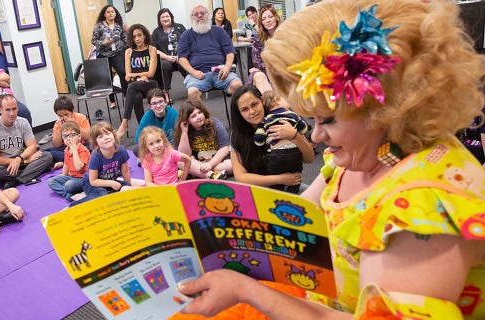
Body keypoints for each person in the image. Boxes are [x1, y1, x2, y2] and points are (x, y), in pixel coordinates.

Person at [178, 1, 485, 319]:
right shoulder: (360, 155)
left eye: (327, 120)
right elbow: (289, 219)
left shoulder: (424, 205)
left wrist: (246, 290)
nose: (315, 136)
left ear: (384, 110)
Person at [230, 84, 314, 193]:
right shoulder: (237, 135)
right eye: (245, 109)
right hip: (260, 188)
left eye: (254, 104)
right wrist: (281, 179)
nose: (252, 111)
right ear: (239, 114)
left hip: (290, 184)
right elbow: (241, 177)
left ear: (262, 101)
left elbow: (310, 158)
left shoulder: (284, 119)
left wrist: (294, 136)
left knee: (320, 203)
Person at [0, 94, 53, 189]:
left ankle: (17, 180)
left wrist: (20, 159)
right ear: (0, 110)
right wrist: (25, 161)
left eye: (14, 109)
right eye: (7, 110)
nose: (12, 113)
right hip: (2, 165)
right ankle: (33, 172)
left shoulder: (23, 122)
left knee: (47, 156)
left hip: (21, 158)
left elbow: (32, 146)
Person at [178, 5, 243, 101]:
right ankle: (201, 116)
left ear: (208, 15)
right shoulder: (186, 35)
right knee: (192, 92)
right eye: (196, 14)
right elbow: (182, 58)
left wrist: (227, 67)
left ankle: (238, 115)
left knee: (238, 86)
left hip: (220, 72)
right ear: (192, 18)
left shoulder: (219, 31)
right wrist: (194, 72)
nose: (199, 16)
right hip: (198, 74)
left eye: (202, 13)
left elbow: (230, 52)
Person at [70, 122, 136, 206]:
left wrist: (128, 187)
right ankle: (74, 206)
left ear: (114, 135)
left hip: (108, 181)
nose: (106, 138)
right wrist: (111, 183)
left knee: (125, 187)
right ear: (96, 143)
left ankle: (107, 195)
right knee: (102, 194)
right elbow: (93, 181)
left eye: (108, 134)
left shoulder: (121, 150)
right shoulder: (96, 156)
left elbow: (125, 172)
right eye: (100, 137)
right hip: (91, 183)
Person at [116, 24, 158, 137]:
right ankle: (143, 128)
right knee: (136, 96)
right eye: (134, 36)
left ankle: (124, 123)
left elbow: (151, 73)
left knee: (131, 86)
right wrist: (139, 77)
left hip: (150, 83)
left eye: (139, 35)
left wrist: (135, 76)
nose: (137, 39)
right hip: (136, 84)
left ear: (145, 35)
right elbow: (126, 76)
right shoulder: (128, 52)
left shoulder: (152, 49)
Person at [174, 99, 231, 179]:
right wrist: (184, 133)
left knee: (232, 164)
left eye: (200, 113)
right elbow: (184, 155)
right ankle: (212, 175)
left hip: (217, 161)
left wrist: (210, 164)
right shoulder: (184, 130)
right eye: (193, 116)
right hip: (199, 162)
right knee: (180, 162)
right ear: (187, 121)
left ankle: (195, 172)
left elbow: (225, 148)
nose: (199, 117)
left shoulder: (215, 124)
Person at [91, 5, 128, 109]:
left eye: (112, 12)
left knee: (123, 73)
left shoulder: (119, 25)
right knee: (108, 78)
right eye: (108, 12)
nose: (111, 13)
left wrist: (124, 48)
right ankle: (112, 101)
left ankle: (127, 97)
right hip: (104, 55)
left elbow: (124, 38)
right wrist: (103, 43)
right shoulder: (99, 26)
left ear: (115, 13)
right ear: (104, 14)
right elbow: (93, 41)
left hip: (118, 54)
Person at [47, 121, 91, 201]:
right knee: (51, 181)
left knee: (68, 185)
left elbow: (79, 168)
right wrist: (62, 177)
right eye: (65, 136)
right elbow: (66, 166)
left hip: (83, 179)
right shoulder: (67, 150)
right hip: (71, 177)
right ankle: (68, 194)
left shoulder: (83, 150)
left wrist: (74, 149)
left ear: (79, 137)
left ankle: (72, 193)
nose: (68, 138)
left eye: (72, 135)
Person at [151, 8, 188, 101]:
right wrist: (167, 57)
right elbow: (153, 49)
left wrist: (180, 55)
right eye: (162, 17)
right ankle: (165, 94)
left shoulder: (180, 27)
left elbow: (188, 42)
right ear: (159, 19)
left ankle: (193, 87)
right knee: (164, 66)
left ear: (171, 17)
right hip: (165, 59)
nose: (165, 18)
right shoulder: (156, 32)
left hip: (180, 57)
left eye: (167, 16)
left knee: (185, 63)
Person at [46, 96, 91, 169]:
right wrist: (60, 129)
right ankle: (69, 160)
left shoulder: (81, 117)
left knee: (93, 148)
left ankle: (66, 162)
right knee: (47, 152)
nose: (63, 118)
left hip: (82, 146)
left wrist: (74, 124)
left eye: (66, 114)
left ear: (72, 111)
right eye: (60, 116)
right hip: (66, 149)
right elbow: (56, 145)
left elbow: (88, 137)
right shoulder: (58, 123)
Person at [248, 4, 281, 93]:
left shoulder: (285, 35)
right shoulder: (258, 39)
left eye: (270, 17)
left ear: (276, 18)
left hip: (282, 72)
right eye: (264, 19)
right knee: (258, 76)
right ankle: (272, 104)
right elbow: (257, 63)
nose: (268, 21)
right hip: (264, 73)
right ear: (261, 22)